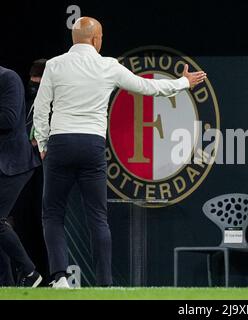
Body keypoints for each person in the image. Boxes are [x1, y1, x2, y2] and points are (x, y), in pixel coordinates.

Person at [33, 17, 207, 288]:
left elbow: (41, 109)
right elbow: (149, 88)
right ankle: (104, 283)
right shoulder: (108, 66)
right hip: (91, 145)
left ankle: (60, 278)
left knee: (53, 214)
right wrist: (183, 83)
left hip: (61, 143)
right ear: (95, 39)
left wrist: (44, 145)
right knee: (97, 216)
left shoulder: (54, 65)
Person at [0, 65, 42, 287]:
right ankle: (6, 282)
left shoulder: (9, 79)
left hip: (14, 163)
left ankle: (30, 272)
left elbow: (8, 119)